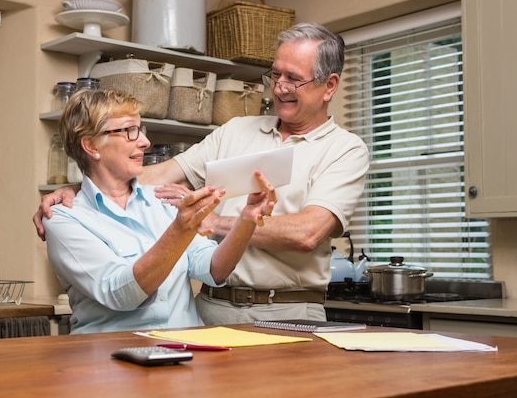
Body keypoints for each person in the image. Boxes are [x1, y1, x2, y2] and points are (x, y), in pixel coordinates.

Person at [34, 22, 369, 325]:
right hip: (211, 308)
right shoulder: (236, 130)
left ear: (329, 86)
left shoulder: (344, 149)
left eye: (293, 78)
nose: (279, 87)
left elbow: (307, 234)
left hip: (288, 309)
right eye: (275, 74)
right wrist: (81, 188)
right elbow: (162, 174)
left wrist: (216, 224)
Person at [42, 88, 276, 334]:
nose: (144, 142)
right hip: (112, 361)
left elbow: (213, 270)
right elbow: (120, 294)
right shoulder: (64, 218)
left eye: (141, 130)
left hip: (186, 354)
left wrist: (247, 218)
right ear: (91, 145)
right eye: (130, 131)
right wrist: (180, 230)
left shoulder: (161, 199)